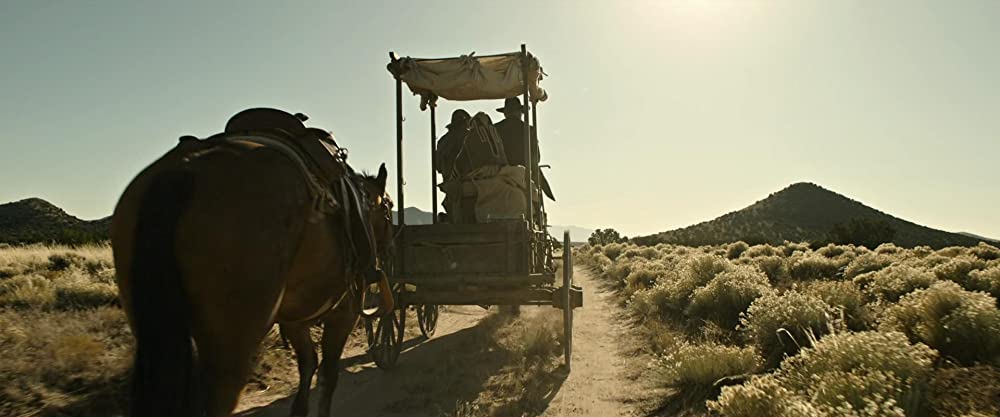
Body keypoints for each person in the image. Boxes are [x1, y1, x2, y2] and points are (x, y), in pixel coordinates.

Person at [493, 97, 555, 201]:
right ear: (520, 112)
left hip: (502, 174)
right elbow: (536, 157)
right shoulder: (529, 129)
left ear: (505, 113)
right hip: (526, 175)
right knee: (536, 187)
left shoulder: (495, 128)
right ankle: (536, 208)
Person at [436, 109, 472, 182]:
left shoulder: (442, 140)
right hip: (465, 181)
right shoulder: (468, 136)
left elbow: (438, 166)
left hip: (449, 183)